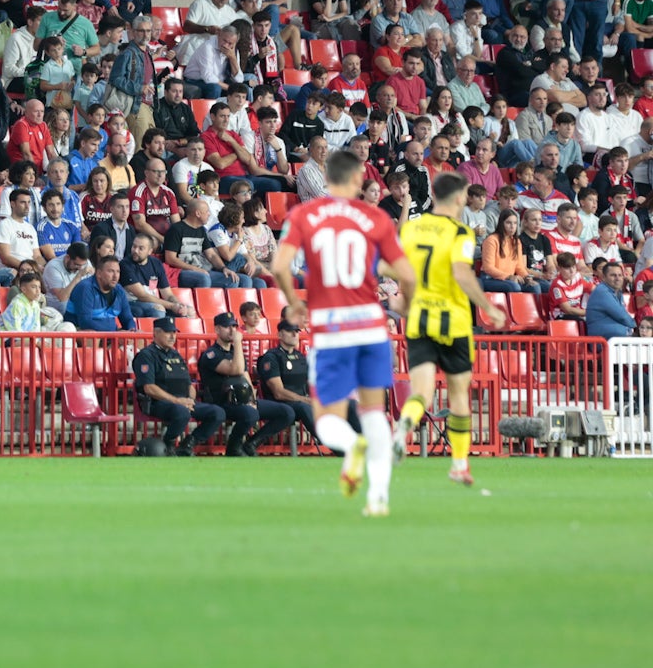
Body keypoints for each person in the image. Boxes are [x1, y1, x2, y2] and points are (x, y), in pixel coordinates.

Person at [273, 149, 418, 517]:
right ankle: (378, 498)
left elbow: (279, 265)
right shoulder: (376, 218)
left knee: (327, 422)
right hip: (370, 326)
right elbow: (408, 275)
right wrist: (404, 306)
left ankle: (352, 446)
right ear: (357, 179)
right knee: (374, 414)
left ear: (327, 177)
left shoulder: (304, 214)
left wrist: (294, 302)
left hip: (332, 328)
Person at [394, 172, 507, 484]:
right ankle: (459, 464)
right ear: (460, 198)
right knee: (458, 395)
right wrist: (487, 307)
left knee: (422, 392)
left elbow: (404, 273)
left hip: (418, 319)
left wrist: (404, 301)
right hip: (453, 321)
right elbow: (460, 272)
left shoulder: (413, 229)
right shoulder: (460, 232)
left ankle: (404, 423)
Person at [197, 312, 297, 456]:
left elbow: (244, 375)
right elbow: (236, 369)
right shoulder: (211, 354)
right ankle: (233, 448)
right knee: (250, 413)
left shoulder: (235, 353)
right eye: (227, 327)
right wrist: (238, 343)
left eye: (234, 326)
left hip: (242, 400)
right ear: (217, 330)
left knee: (287, 412)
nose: (232, 331)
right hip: (222, 401)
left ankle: (252, 443)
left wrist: (252, 400)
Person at [131, 318, 225, 456]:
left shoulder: (176, 355)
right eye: (168, 332)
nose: (172, 336)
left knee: (218, 413)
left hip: (182, 402)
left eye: (174, 332)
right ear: (156, 333)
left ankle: (188, 444)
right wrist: (177, 401)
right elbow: (149, 388)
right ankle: (168, 444)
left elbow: (188, 385)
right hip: (158, 403)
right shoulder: (146, 355)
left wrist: (190, 400)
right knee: (181, 412)